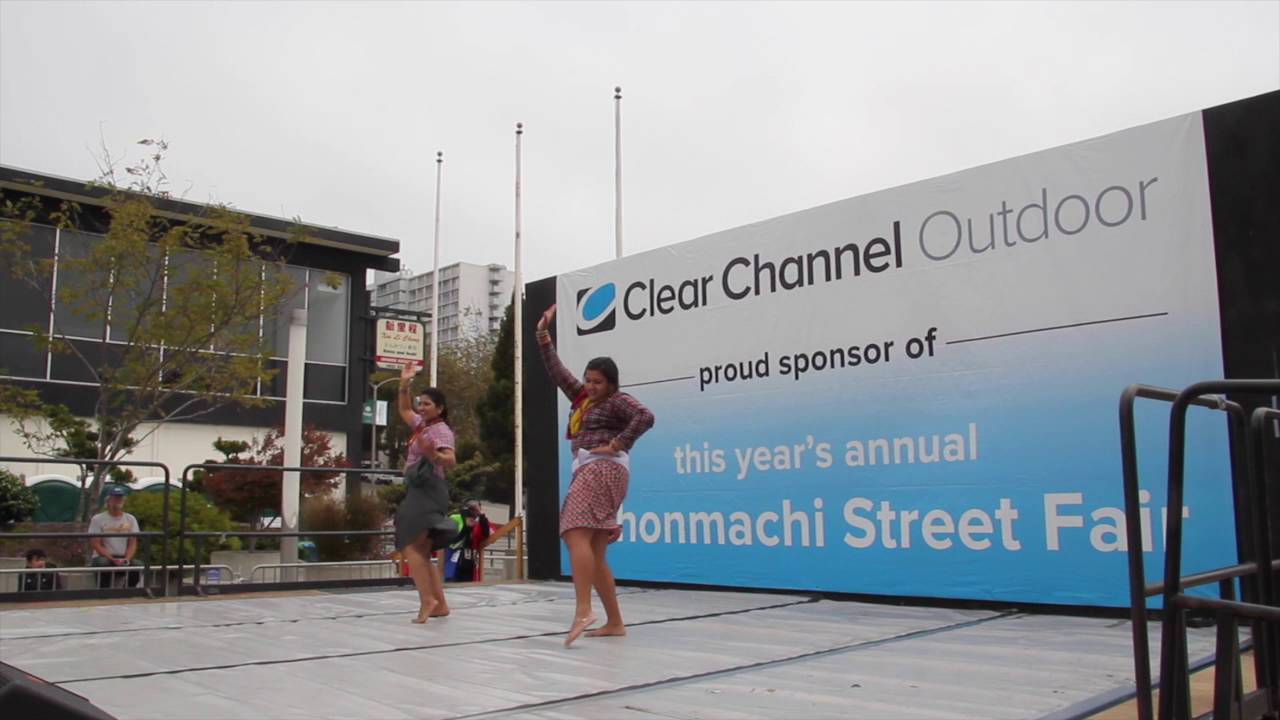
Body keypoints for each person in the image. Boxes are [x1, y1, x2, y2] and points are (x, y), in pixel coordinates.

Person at [536, 304, 655, 647]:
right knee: (596, 550)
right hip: (594, 470)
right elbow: (557, 371)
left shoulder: (617, 401)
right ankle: (615, 622)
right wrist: (543, 334)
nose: (590, 386)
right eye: (588, 380)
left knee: (573, 532)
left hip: (602, 469)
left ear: (612, 383)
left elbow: (645, 416)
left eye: (598, 382)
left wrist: (618, 442)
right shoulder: (581, 399)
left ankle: (583, 609)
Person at [393, 363, 459, 623]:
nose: (421, 408)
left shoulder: (440, 430)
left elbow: (451, 459)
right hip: (420, 490)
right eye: (421, 403)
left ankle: (427, 600)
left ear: (440, 408)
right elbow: (404, 409)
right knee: (420, 548)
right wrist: (404, 383)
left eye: (427, 404)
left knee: (410, 546)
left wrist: (432, 454)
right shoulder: (422, 424)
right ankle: (439, 603)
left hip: (428, 491)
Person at [88, 486, 142, 588]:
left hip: (123, 556)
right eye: (115, 498)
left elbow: (133, 543)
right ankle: (104, 592)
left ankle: (127, 591)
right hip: (104, 556)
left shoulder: (130, 519)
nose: (118, 501)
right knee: (103, 563)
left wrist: (126, 558)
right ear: (108, 500)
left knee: (138, 565)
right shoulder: (98, 519)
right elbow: (96, 543)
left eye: (120, 498)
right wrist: (111, 558)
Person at [444, 499, 492, 582]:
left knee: (467, 582)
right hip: (453, 556)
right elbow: (451, 541)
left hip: (469, 558)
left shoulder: (480, 521)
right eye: (473, 509)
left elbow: (486, 535)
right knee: (451, 579)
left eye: (477, 509)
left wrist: (482, 518)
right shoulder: (455, 517)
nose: (475, 513)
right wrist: (466, 528)